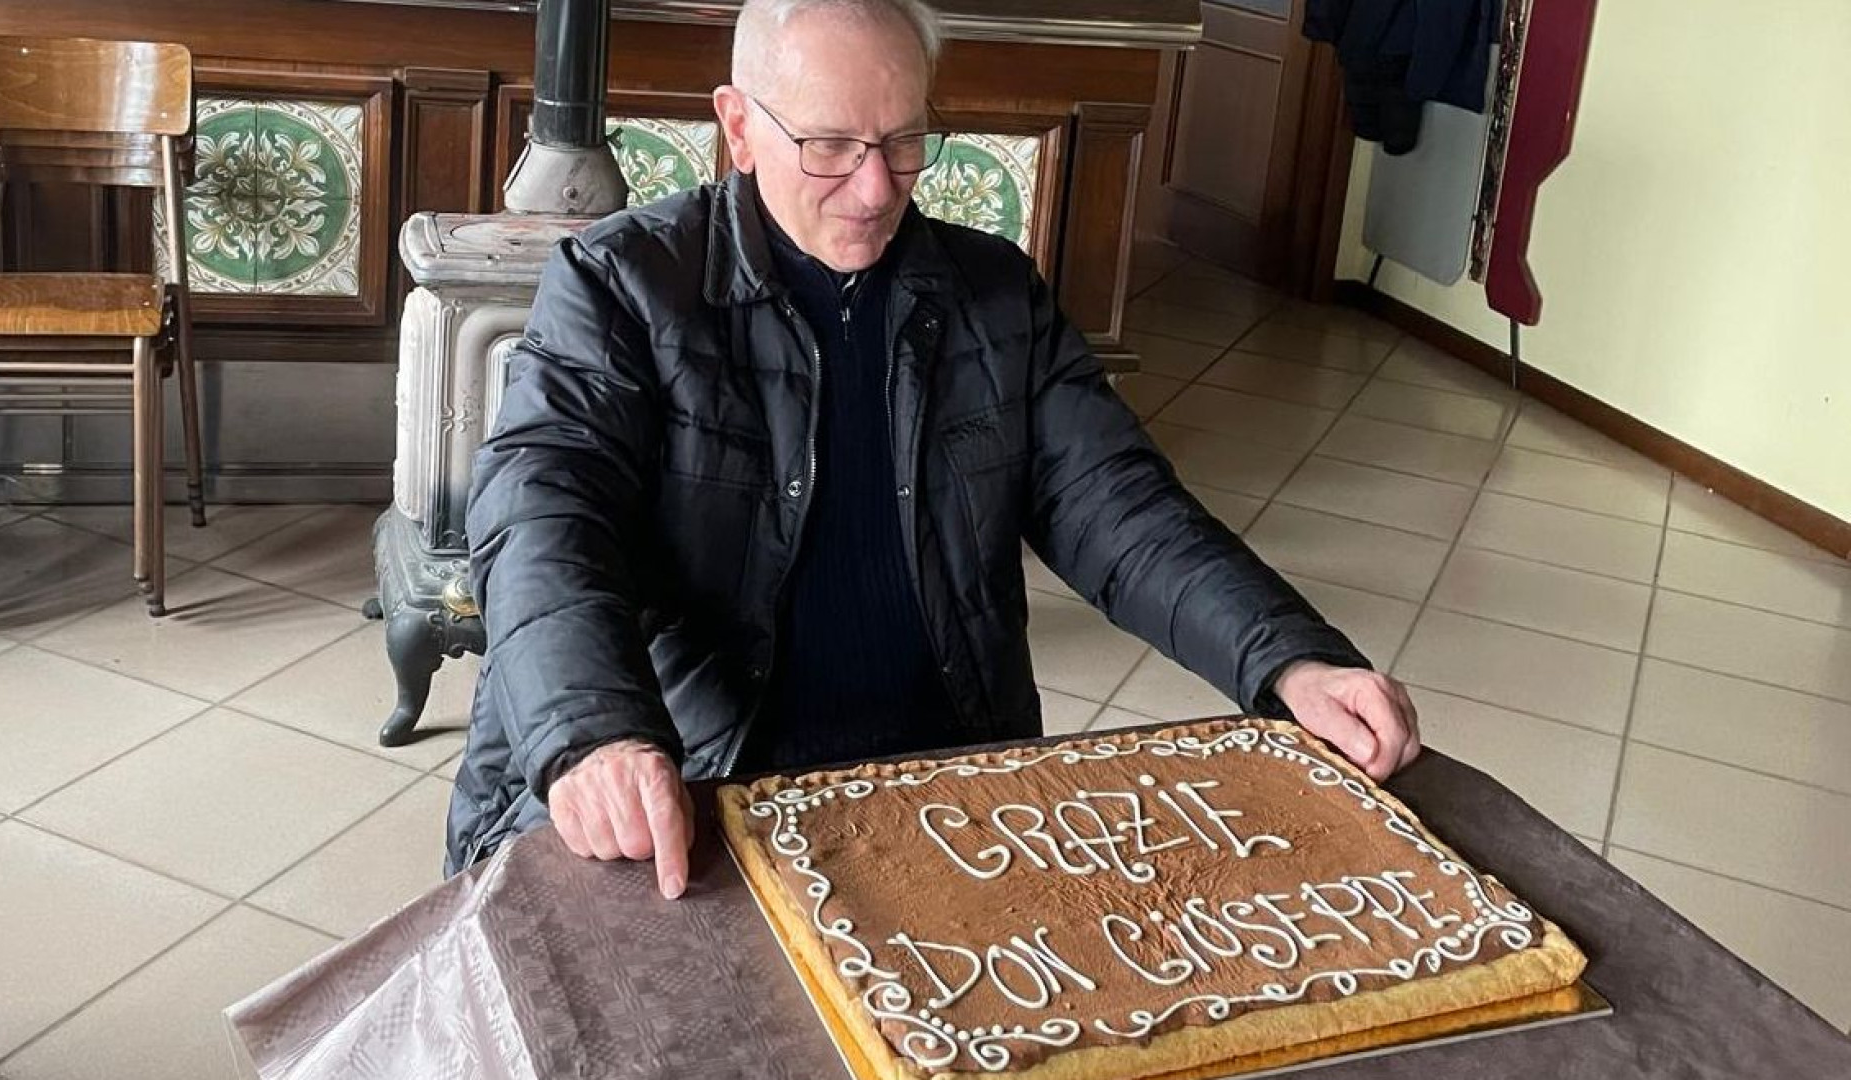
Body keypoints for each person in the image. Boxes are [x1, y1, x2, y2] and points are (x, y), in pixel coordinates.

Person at [446, 0, 1419, 894]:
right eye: (830, 145)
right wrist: (594, 735)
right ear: (739, 127)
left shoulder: (992, 292)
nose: (875, 188)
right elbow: (542, 510)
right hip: (702, 788)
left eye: (905, 142)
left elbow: (1121, 511)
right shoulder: (623, 284)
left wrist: (1288, 660)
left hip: (945, 793)